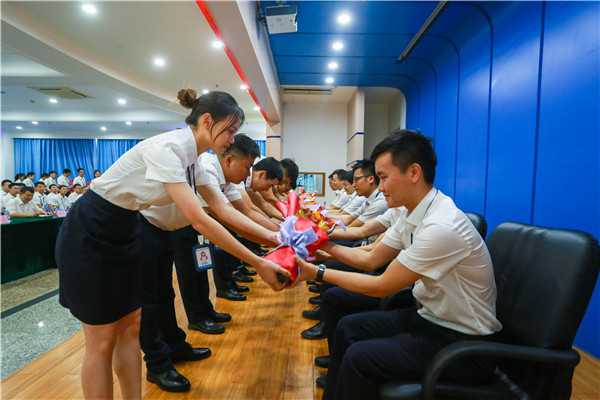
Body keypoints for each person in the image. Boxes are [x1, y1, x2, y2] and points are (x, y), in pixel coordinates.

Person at [55, 89, 289, 400]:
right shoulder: (169, 148)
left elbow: (224, 211)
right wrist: (258, 261)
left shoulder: (196, 161)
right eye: (230, 130)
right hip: (92, 230)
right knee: (101, 338)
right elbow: (201, 220)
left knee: (130, 328)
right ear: (207, 121)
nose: (232, 139)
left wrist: (279, 239)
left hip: (126, 228)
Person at [292, 130, 502, 399]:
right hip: (427, 318)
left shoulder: (442, 225)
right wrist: (324, 248)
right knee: (348, 328)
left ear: (414, 172)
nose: (379, 187)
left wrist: (316, 271)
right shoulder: (410, 212)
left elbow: (382, 285)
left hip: (463, 345)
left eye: (383, 177)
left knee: (360, 357)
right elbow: (371, 258)